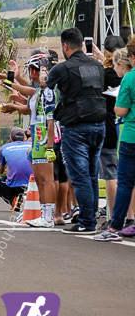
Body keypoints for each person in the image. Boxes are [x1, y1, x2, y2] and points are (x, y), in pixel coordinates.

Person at [46, 27, 107, 234]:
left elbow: (45, 88)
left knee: (80, 177)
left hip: (75, 127)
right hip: (99, 125)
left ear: (65, 46)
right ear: (82, 44)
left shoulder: (62, 68)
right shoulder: (97, 66)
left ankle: (87, 223)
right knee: (90, 176)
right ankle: (90, 220)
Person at [0, 51, 58, 228]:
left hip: (42, 136)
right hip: (36, 136)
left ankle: (48, 217)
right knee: (40, 178)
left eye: (35, 70)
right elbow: (21, 88)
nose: (33, 74)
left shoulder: (47, 93)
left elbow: (50, 120)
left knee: (46, 179)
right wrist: (10, 78)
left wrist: (49, 146)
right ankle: (43, 213)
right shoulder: (38, 91)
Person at [95, 46, 135, 241]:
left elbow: (120, 110)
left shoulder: (129, 78)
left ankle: (114, 227)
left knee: (125, 182)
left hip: (131, 135)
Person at [0, 127, 33, 210]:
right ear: (24, 138)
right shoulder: (31, 146)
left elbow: (0, 171)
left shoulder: (4, 148)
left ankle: (13, 199)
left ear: (10, 138)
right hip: (33, 183)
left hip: (15, 186)